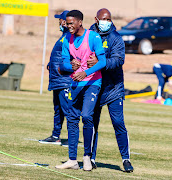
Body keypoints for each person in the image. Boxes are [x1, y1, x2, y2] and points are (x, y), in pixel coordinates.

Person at [55, 10, 106, 171]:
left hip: (92, 83)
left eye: (71, 23)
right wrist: (70, 66)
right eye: (67, 23)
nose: (68, 26)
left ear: (79, 22)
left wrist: (85, 72)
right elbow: (62, 64)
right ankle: (72, 160)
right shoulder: (66, 40)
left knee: (86, 116)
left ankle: (87, 157)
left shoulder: (93, 37)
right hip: (75, 84)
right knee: (71, 119)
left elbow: (103, 61)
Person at [87, 8, 134, 172]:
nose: (107, 22)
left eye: (109, 19)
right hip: (94, 86)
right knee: (92, 124)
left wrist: (100, 62)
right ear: (96, 19)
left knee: (118, 123)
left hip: (114, 89)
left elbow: (118, 60)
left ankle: (126, 159)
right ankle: (90, 158)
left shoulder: (116, 38)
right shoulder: (89, 36)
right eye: (103, 19)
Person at [39, 10, 71, 145]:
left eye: (60, 20)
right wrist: (50, 64)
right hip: (57, 80)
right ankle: (55, 135)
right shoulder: (64, 36)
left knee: (68, 111)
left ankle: (72, 138)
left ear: (65, 21)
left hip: (65, 81)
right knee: (57, 109)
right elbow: (58, 56)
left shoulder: (70, 36)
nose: (58, 22)